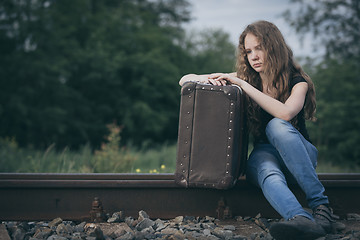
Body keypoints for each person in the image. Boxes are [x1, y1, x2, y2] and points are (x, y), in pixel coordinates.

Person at [179, 20, 338, 240]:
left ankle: (321, 207)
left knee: (277, 126)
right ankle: (301, 219)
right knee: (265, 170)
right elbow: (184, 80)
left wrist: (243, 86)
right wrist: (206, 79)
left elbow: (285, 114)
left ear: (274, 47)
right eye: (248, 51)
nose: (253, 56)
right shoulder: (247, 78)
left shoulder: (297, 82)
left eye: (259, 48)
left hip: (299, 155)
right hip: (265, 154)